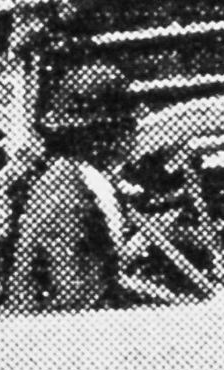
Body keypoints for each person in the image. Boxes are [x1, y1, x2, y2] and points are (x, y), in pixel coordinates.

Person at [10, 58, 136, 312]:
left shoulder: (53, 180)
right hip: (73, 318)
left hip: (36, 312)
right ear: (106, 135)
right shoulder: (87, 187)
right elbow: (93, 281)